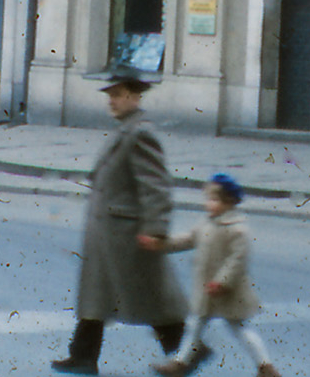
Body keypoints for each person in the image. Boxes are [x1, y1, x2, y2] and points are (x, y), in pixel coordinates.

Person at [52, 70, 190, 375]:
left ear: (134, 96)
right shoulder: (125, 129)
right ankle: (83, 355)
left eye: (117, 95)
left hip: (127, 234)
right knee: (97, 296)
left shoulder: (140, 132)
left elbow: (156, 187)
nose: (111, 101)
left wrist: (155, 229)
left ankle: (186, 353)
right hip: (110, 231)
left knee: (151, 299)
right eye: (109, 95)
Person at [149, 174, 277, 377]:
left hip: (228, 292)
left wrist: (222, 282)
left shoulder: (237, 229)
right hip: (207, 290)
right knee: (194, 326)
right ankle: (180, 363)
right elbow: (188, 239)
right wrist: (163, 244)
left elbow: (237, 260)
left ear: (229, 201)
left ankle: (266, 367)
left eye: (214, 199)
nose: (209, 204)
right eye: (208, 199)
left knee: (240, 328)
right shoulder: (206, 223)